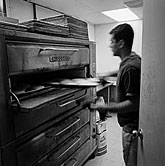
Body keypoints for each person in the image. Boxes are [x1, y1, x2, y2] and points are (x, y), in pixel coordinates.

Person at [91, 23, 141, 166]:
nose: (110, 45)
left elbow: (134, 103)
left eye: (112, 41)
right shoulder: (131, 59)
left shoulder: (130, 67)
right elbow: (122, 71)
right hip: (131, 125)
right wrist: (106, 75)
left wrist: (106, 106)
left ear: (121, 43)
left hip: (132, 128)